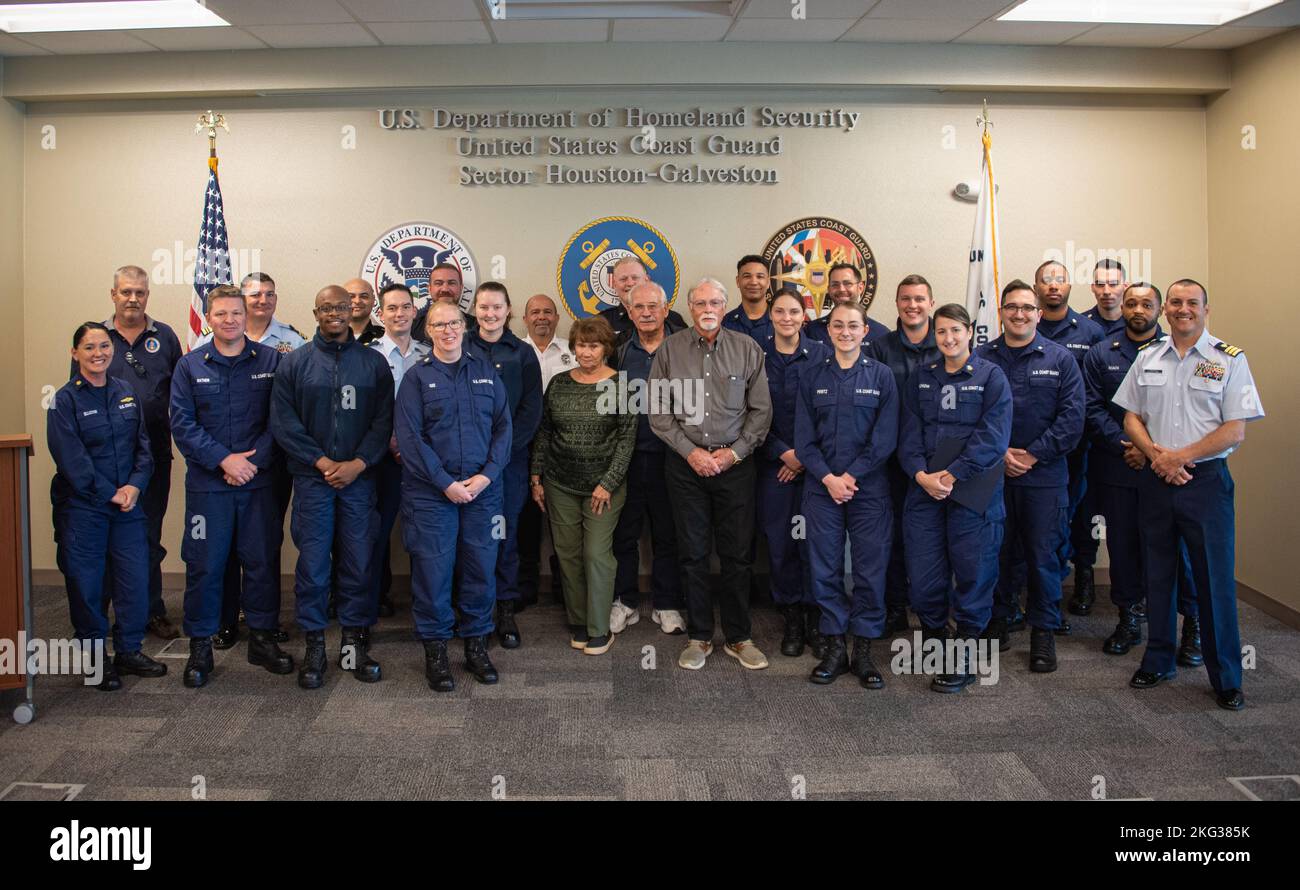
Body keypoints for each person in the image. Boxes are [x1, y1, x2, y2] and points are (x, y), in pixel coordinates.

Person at [1116, 279, 1264, 711]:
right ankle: (1159, 660)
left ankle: (1227, 678)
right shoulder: (1148, 358)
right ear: (1166, 312)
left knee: (1214, 581)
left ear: (1206, 309)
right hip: (1156, 481)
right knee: (1158, 575)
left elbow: (1234, 429)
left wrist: (1178, 457)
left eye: (1192, 303)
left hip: (1205, 483)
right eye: (1176, 303)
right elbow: (1130, 418)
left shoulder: (1229, 360)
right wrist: (1156, 457)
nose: (1183, 309)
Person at [271, 285, 394, 689]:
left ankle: (354, 646)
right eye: (326, 307)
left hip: (359, 481)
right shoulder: (296, 363)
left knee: (359, 562)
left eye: (342, 307)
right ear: (316, 311)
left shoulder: (373, 363)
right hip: (313, 480)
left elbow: (383, 422)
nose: (335, 313)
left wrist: (358, 464)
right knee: (313, 567)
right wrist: (323, 462)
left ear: (353, 309)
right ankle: (314, 648)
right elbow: (284, 423)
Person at [170, 286, 292, 687]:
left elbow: (281, 421)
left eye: (236, 313)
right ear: (208, 319)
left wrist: (250, 464)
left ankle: (261, 638)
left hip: (258, 483)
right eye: (220, 314)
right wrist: (224, 460)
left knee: (261, 563)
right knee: (205, 566)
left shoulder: (272, 360)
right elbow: (183, 425)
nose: (230, 320)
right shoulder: (189, 366)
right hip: (210, 487)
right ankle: (201, 648)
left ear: (245, 315)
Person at [650, 277, 773, 671]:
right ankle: (700, 637)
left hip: (735, 468)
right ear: (689, 306)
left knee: (737, 555)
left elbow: (761, 412)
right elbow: (658, 411)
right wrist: (692, 453)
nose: (707, 308)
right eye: (700, 302)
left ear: (725, 306)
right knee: (693, 553)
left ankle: (739, 637)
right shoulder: (670, 350)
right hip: (686, 467)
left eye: (715, 302)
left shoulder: (747, 349)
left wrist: (732, 455)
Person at [395, 301, 511, 691]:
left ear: (465, 326)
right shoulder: (416, 379)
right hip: (431, 495)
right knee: (433, 575)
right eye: (439, 324)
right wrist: (445, 483)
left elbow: (503, 430)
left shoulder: (486, 373)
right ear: (428, 331)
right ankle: (437, 652)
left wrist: (487, 477)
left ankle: (477, 646)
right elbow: (411, 439)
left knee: (480, 570)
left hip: (482, 492)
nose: (448, 330)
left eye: (454, 323)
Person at [1083, 283, 1201, 660]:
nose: (1138, 309)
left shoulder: (1177, 352)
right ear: (1122, 305)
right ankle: (1129, 617)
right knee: (1123, 547)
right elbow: (1091, 408)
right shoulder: (1102, 353)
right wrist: (1128, 446)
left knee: (1180, 550)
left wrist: (1156, 454)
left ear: (1160, 308)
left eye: (1146, 303)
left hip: (1172, 471)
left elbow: (1189, 413)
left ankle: (1193, 624)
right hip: (1120, 468)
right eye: (1131, 302)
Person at [898, 304, 1012, 692]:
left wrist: (952, 473)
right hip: (925, 490)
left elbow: (993, 437)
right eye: (941, 332)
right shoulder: (921, 377)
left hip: (972, 493)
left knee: (973, 574)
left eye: (955, 331)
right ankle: (933, 638)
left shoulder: (991, 376)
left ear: (969, 332)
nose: (948, 339)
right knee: (925, 575)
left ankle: (964, 652)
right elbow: (908, 433)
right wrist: (920, 474)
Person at [49, 322, 165, 690]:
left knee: (134, 579)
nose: (98, 353)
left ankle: (129, 650)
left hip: (128, 505)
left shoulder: (125, 391)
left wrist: (134, 486)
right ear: (75, 354)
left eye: (103, 346)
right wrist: (110, 492)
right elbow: (71, 459)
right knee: (88, 584)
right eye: (89, 347)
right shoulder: (63, 400)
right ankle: (96, 658)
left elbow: (144, 447)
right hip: (85, 508)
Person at [977, 279, 1084, 673]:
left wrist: (1033, 455)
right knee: (997, 552)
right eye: (1011, 307)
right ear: (1001, 312)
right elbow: (972, 416)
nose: (1019, 314)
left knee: (1043, 557)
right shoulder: (982, 358)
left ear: (1038, 314)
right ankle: (1000, 619)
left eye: (1027, 307)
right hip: (993, 474)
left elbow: (1073, 419)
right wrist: (1000, 453)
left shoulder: (1061, 360)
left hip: (1044, 476)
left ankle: (1043, 631)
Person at [75, 265, 183, 640]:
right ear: (113, 294)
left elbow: (181, 393)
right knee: (103, 538)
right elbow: (75, 397)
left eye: (140, 292)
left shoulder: (165, 337)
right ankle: (99, 616)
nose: (133, 298)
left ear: (148, 295)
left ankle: (150, 611)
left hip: (152, 456)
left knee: (147, 536)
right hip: (103, 462)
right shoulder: (96, 338)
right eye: (126, 292)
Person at [795, 302, 898, 686]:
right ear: (828, 331)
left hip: (868, 490)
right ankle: (835, 646)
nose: (845, 331)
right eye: (838, 325)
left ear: (865, 330)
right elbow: (804, 442)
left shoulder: (882, 376)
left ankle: (865, 651)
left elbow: (885, 439)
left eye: (853, 325)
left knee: (871, 569)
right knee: (825, 568)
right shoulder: (812, 376)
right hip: (822, 490)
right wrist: (829, 479)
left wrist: (850, 476)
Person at [206, 272, 300, 651]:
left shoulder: (289, 344)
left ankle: (264, 619)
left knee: (264, 544)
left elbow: (284, 412)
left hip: (268, 467)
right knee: (222, 548)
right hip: (217, 472)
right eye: (253, 296)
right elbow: (188, 416)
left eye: (267, 294)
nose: (260, 301)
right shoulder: (200, 350)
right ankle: (227, 619)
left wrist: (253, 461)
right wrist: (226, 461)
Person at [531, 317, 637, 654]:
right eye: (580, 345)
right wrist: (536, 475)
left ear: (606, 348)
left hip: (604, 487)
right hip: (560, 482)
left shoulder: (623, 385)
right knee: (568, 554)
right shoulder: (560, 384)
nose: (586, 352)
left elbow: (626, 441)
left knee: (596, 554)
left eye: (593, 345)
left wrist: (607, 483)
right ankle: (578, 621)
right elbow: (546, 431)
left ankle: (599, 627)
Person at [466, 282, 542, 648]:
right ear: (475, 310)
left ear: (508, 310)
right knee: (470, 536)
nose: (490, 314)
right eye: (483, 307)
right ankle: (471, 610)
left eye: (497, 307)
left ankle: (505, 609)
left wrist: (501, 455)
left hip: (508, 464)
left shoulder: (523, 354)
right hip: (466, 462)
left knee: (503, 536)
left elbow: (530, 411)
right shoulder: (460, 346)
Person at [610, 282, 687, 636]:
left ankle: (666, 603)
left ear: (665, 308)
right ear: (628, 311)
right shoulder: (620, 353)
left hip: (673, 457)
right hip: (629, 456)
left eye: (652, 306)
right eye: (638, 307)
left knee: (668, 534)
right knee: (624, 533)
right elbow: (608, 405)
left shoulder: (685, 349)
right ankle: (624, 601)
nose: (645, 313)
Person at [866, 274, 941, 636]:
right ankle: (895, 605)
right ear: (896, 304)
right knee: (892, 536)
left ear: (931, 303)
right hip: (892, 462)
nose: (912, 305)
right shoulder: (879, 347)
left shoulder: (945, 344)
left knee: (936, 538)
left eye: (919, 299)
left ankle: (936, 609)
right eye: (905, 299)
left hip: (938, 463)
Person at [1033, 260, 1105, 623]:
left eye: (1060, 279)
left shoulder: (1090, 332)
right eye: (1046, 280)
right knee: (1034, 526)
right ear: (1036, 288)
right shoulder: (1024, 324)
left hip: (1075, 448)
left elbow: (1094, 394)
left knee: (1070, 519)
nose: (1053, 286)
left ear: (1069, 286)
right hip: (1029, 450)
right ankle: (1034, 595)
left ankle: (1069, 587)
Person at [757, 290, 827, 657]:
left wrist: (803, 457)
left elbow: (830, 411)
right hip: (773, 468)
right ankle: (792, 618)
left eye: (794, 311)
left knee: (815, 543)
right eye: (780, 311)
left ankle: (815, 616)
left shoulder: (822, 354)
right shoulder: (756, 355)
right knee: (781, 544)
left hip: (816, 470)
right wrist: (783, 453)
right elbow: (749, 413)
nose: (787, 317)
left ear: (805, 315)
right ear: (770, 315)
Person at [368, 283, 431, 619]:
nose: (399, 313)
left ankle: (428, 599)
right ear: (381, 314)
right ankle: (377, 596)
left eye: (405, 307)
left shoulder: (429, 354)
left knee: (425, 531)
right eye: (391, 308)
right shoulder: (369, 356)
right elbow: (365, 411)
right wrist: (392, 442)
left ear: (414, 311)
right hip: (383, 459)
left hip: (422, 460)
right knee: (377, 533)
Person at [518, 294, 572, 607]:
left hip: (563, 446)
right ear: (524, 319)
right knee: (525, 517)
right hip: (522, 446)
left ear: (556, 317)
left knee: (563, 519)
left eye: (548, 312)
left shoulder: (571, 351)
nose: (542, 317)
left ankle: (565, 585)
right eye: (535, 312)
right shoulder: (514, 351)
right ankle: (526, 581)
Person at [598, 256, 687, 341]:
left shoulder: (673, 319)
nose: (629, 283)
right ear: (614, 284)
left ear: (646, 279)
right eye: (623, 279)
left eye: (635, 277)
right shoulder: (602, 322)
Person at [803, 263, 888, 348]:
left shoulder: (881, 334)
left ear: (860, 288)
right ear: (829, 289)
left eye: (847, 283)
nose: (841, 289)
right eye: (835, 285)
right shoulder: (812, 331)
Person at [411, 262, 476, 345]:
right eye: (438, 283)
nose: (445, 289)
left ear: (461, 288)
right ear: (429, 288)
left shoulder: (476, 326)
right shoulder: (413, 327)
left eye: (451, 283)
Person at [722, 254, 774, 342]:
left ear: (768, 282)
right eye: (747, 276)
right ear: (738, 281)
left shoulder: (782, 321)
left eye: (760, 276)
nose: (753, 282)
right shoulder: (725, 323)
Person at [1084, 258, 1127, 334]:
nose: (1106, 291)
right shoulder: (1080, 324)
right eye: (1100, 284)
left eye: (1113, 284)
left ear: (1125, 287)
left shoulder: (1137, 323)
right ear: (1093, 287)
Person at [344, 278, 385, 345]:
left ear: (373, 300)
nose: (357, 301)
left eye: (364, 296)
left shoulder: (385, 337)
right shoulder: (328, 337)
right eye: (351, 296)